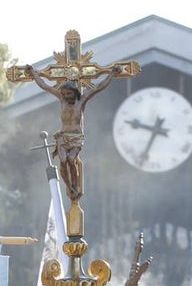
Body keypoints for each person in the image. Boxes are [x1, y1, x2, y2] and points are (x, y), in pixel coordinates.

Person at [23, 64, 122, 200]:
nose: (66, 96)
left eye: (68, 94)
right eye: (64, 94)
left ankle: (75, 186)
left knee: (71, 159)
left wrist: (111, 74)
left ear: (75, 92)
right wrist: (33, 74)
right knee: (63, 161)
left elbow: (99, 87)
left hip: (76, 138)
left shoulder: (82, 101)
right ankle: (69, 188)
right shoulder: (62, 100)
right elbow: (45, 86)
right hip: (63, 137)